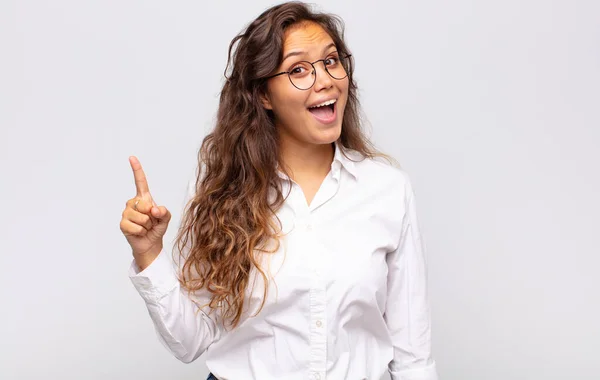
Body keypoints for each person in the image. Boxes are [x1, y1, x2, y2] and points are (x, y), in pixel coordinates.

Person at [119, 2, 439, 379]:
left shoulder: (387, 189)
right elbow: (190, 341)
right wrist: (149, 253)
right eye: (299, 69)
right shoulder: (220, 193)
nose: (324, 80)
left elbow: (412, 353)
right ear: (263, 95)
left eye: (331, 61)